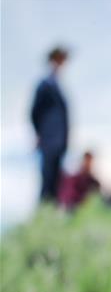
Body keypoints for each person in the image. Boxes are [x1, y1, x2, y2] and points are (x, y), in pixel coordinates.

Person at [30, 46, 70, 202]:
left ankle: (51, 212)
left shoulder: (57, 86)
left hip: (60, 141)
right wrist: (39, 134)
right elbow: (34, 112)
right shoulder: (44, 85)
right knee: (47, 178)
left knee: (56, 180)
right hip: (48, 139)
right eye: (59, 60)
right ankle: (43, 213)